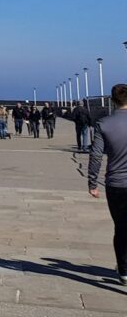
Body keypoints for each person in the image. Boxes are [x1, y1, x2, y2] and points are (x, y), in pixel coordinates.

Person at [89, 84, 127, 285]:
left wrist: (92, 182)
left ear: (112, 101)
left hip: (116, 184)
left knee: (121, 228)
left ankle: (123, 270)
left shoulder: (104, 123)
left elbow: (96, 156)